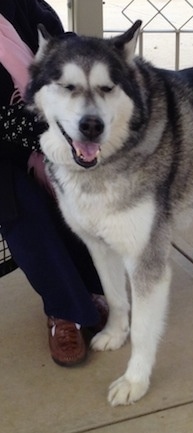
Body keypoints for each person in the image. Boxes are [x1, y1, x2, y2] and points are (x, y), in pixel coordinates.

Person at [0, 0, 108, 367]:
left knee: (68, 184)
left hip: (42, 132)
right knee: (19, 204)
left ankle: (92, 290)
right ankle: (64, 312)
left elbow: (66, 48)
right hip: (10, 141)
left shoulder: (23, 8)